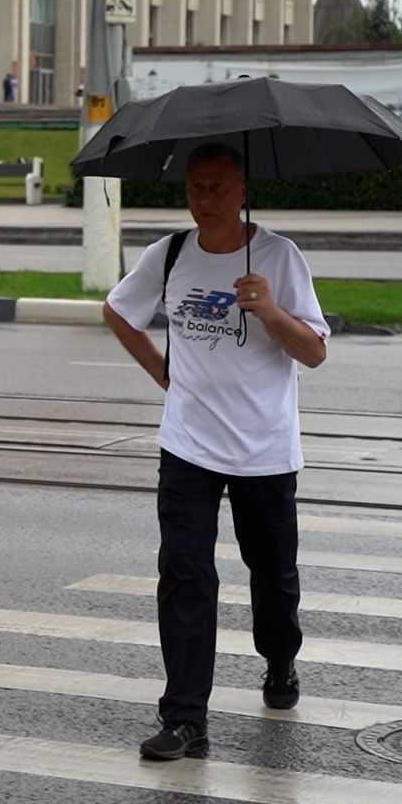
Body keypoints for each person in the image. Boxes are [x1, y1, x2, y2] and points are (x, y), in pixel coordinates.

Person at [101, 142, 330, 761]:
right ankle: (184, 720)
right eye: (196, 188)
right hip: (188, 444)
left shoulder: (280, 258)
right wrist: (162, 372)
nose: (205, 201)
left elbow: (313, 351)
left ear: (243, 190)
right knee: (184, 574)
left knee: (273, 575)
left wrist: (271, 310)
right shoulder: (170, 254)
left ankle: (280, 659)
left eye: (218, 188)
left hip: (263, 448)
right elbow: (119, 311)